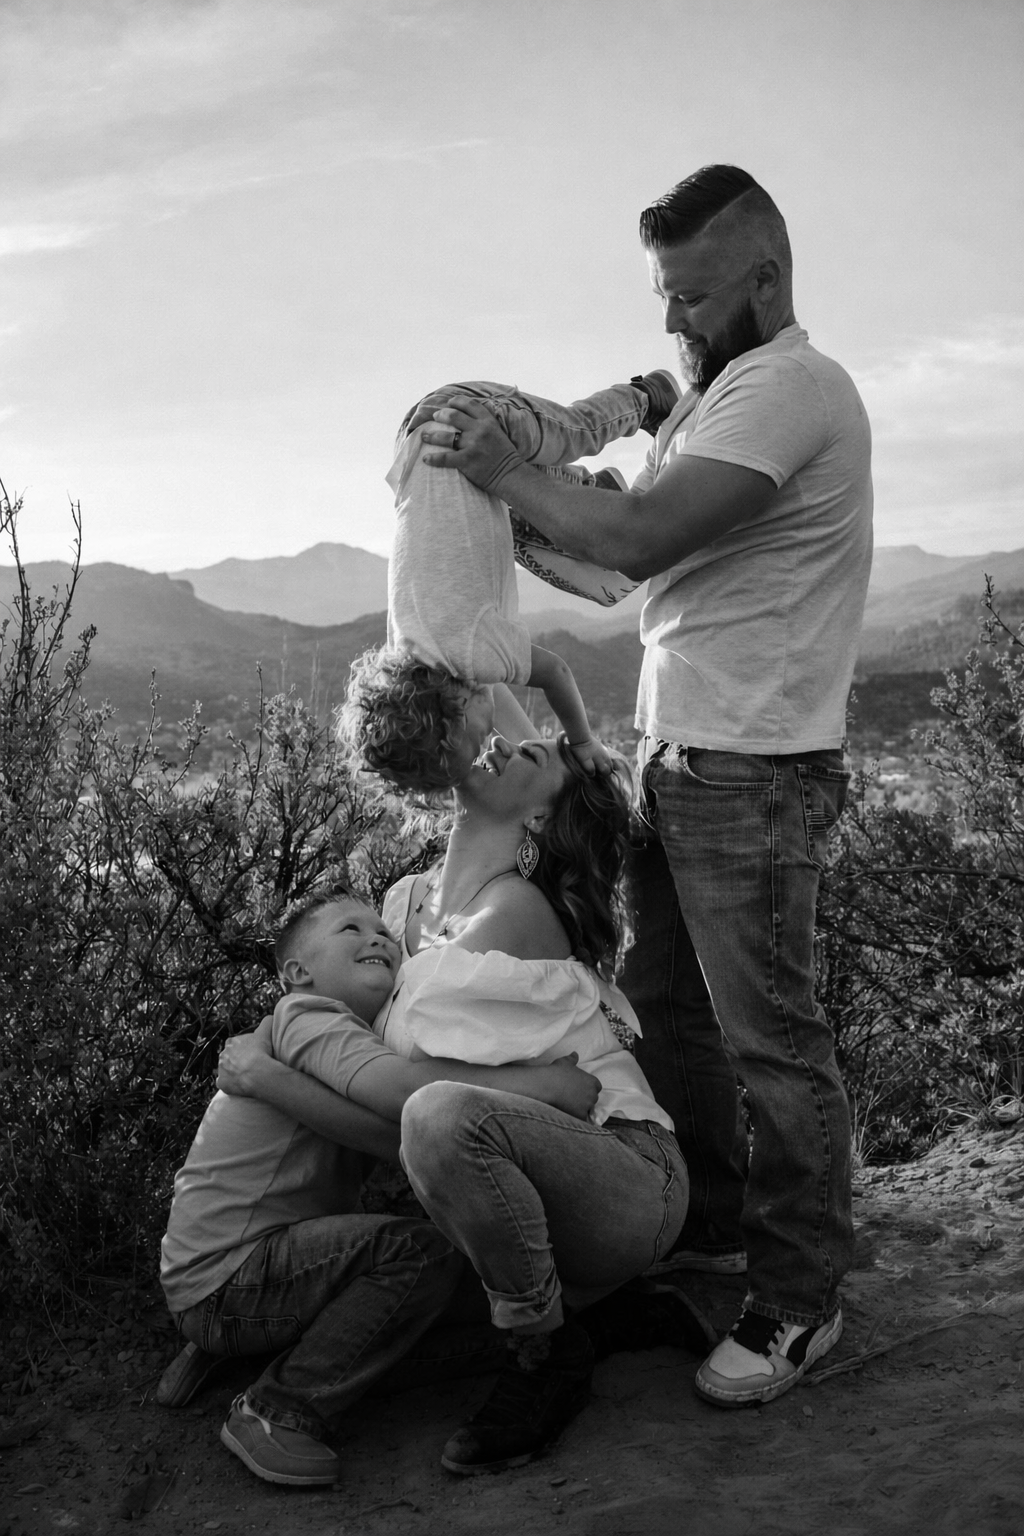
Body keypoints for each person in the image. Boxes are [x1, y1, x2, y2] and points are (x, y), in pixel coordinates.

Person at [411, 164, 873, 1408]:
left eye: (695, 294)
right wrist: (494, 520)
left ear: (766, 277)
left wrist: (511, 471)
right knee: (667, 1014)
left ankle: (798, 1299)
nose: (674, 322)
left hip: (757, 768)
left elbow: (640, 541)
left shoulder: (790, 388)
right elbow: (621, 568)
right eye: (663, 293)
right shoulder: (719, 400)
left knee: (770, 1037)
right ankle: (717, 1230)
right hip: (685, 755)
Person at [218, 721, 691, 1474]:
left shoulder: (513, 914)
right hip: (528, 1175)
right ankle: (604, 1312)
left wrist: (270, 1075)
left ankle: (548, 1356)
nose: (511, 739)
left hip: (627, 1176)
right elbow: (469, 675)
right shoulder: (408, 903)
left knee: (437, 1117)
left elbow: (412, 1097)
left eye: (536, 755)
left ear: (535, 817)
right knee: (428, 1164)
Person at [158, 887, 601, 1487]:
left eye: (383, 932)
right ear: (297, 972)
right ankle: (278, 1407)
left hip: (235, 1276)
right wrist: (544, 1085)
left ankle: (245, 1348)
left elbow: (383, 1130)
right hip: (234, 1272)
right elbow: (405, 1101)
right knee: (418, 1253)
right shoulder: (307, 1017)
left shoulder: (334, 1037)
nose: (377, 939)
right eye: (349, 930)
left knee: (467, 1299)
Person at [339, 374, 678, 791]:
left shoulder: (469, 653)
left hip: (472, 419)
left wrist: (584, 743)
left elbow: (556, 672)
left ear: (456, 717)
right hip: (432, 449)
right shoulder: (414, 657)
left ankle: (645, 399)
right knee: (603, 580)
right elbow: (493, 700)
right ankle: (594, 493)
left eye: (476, 744)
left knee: (576, 430)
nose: (490, 742)